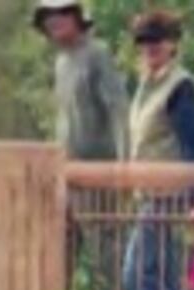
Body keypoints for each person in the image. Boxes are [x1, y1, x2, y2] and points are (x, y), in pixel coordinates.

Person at [120, 9, 194, 290]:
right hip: (148, 196)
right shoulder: (145, 84)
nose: (150, 47)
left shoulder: (180, 86)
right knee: (161, 280)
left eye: (157, 40)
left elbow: (192, 146)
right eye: (144, 41)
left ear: (172, 44)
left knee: (137, 278)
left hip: (168, 196)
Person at [34, 5, 129, 170]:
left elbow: (118, 109)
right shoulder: (61, 63)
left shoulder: (97, 53)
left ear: (76, 18)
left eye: (62, 13)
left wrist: (125, 162)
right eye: (47, 16)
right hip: (68, 165)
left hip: (100, 169)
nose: (54, 20)